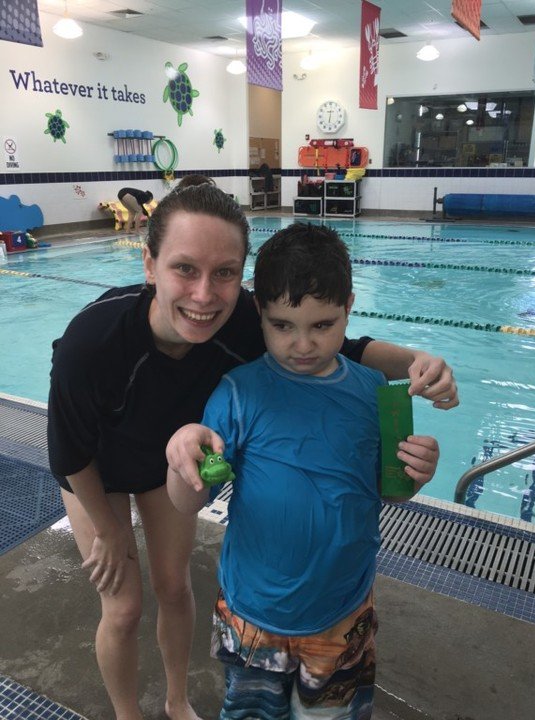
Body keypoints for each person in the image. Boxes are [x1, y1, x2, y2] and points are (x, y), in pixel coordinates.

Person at [47, 185, 457, 720]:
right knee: (122, 605)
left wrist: (422, 362)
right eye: (184, 269)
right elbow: (67, 450)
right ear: (149, 264)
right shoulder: (93, 341)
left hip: (175, 463)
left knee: (173, 586)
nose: (203, 295)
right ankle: (128, 714)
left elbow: (340, 346)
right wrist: (108, 529)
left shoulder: (244, 316)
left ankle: (176, 701)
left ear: (242, 279)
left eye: (223, 273)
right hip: (94, 468)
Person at [166, 222, 441, 720]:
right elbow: (186, 502)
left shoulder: (375, 390)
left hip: (342, 612)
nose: (302, 345)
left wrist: (417, 475)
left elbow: (389, 492)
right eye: (283, 326)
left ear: (350, 307)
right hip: (254, 614)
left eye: (323, 325)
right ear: (260, 315)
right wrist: (180, 448)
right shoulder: (238, 393)